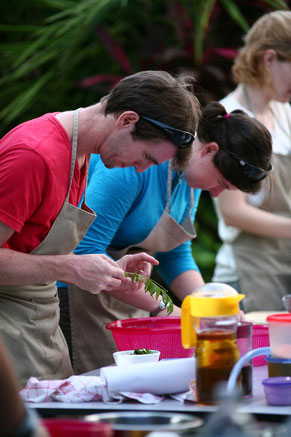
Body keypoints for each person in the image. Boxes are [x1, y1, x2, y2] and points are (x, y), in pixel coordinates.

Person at [0, 70, 201, 388]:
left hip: (40, 329)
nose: (140, 169)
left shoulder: (79, 156)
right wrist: (68, 266)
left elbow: (32, 248)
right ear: (127, 120)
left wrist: (107, 269)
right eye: (146, 157)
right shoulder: (35, 154)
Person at [59, 101, 273, 373]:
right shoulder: (135, 167)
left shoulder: (191, 182)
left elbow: (176, 254)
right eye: (221, 183)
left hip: (126, 294)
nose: (217, 193)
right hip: (75, 295)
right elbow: (85, 250)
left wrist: (209, 303)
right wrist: (164, 309)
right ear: (209, 150)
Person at [212, 11, 291, 312]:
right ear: (269, 59)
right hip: (248, 272)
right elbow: (235, 213)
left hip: (284, 260)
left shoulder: (284, 113)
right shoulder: (232, 119)